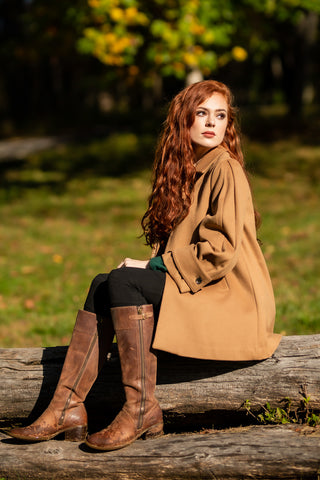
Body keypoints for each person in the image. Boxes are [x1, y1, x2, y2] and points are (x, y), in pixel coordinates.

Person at [7, 80, 281, 451]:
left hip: (231, 300)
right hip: (202, 287)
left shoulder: (224, 169)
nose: (211, 123)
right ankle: (66, 406)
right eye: (201, 114)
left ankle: (140, 408)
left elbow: (220, 250)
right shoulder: (188, 169)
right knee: (104, 283)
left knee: (125, 281)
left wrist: (152, 264)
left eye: (220, 116)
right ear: (184, 120)